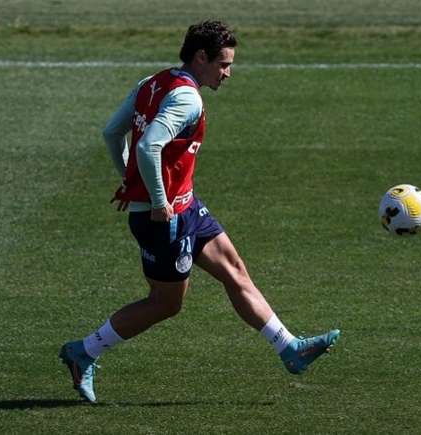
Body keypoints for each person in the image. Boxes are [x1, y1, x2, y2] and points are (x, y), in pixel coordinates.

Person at [59, 20, 340, 403]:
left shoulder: (152, 83)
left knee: (234, 269)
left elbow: (112, 132)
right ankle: (84, 351)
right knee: (166, 303)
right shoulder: (187, 98)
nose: (228, 73)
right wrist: (155, 200)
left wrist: (132, 183)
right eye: (223, 64)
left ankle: (290, 348)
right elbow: (148, 147)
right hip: (164, 218)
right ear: (201, 57)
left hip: (187, 205)